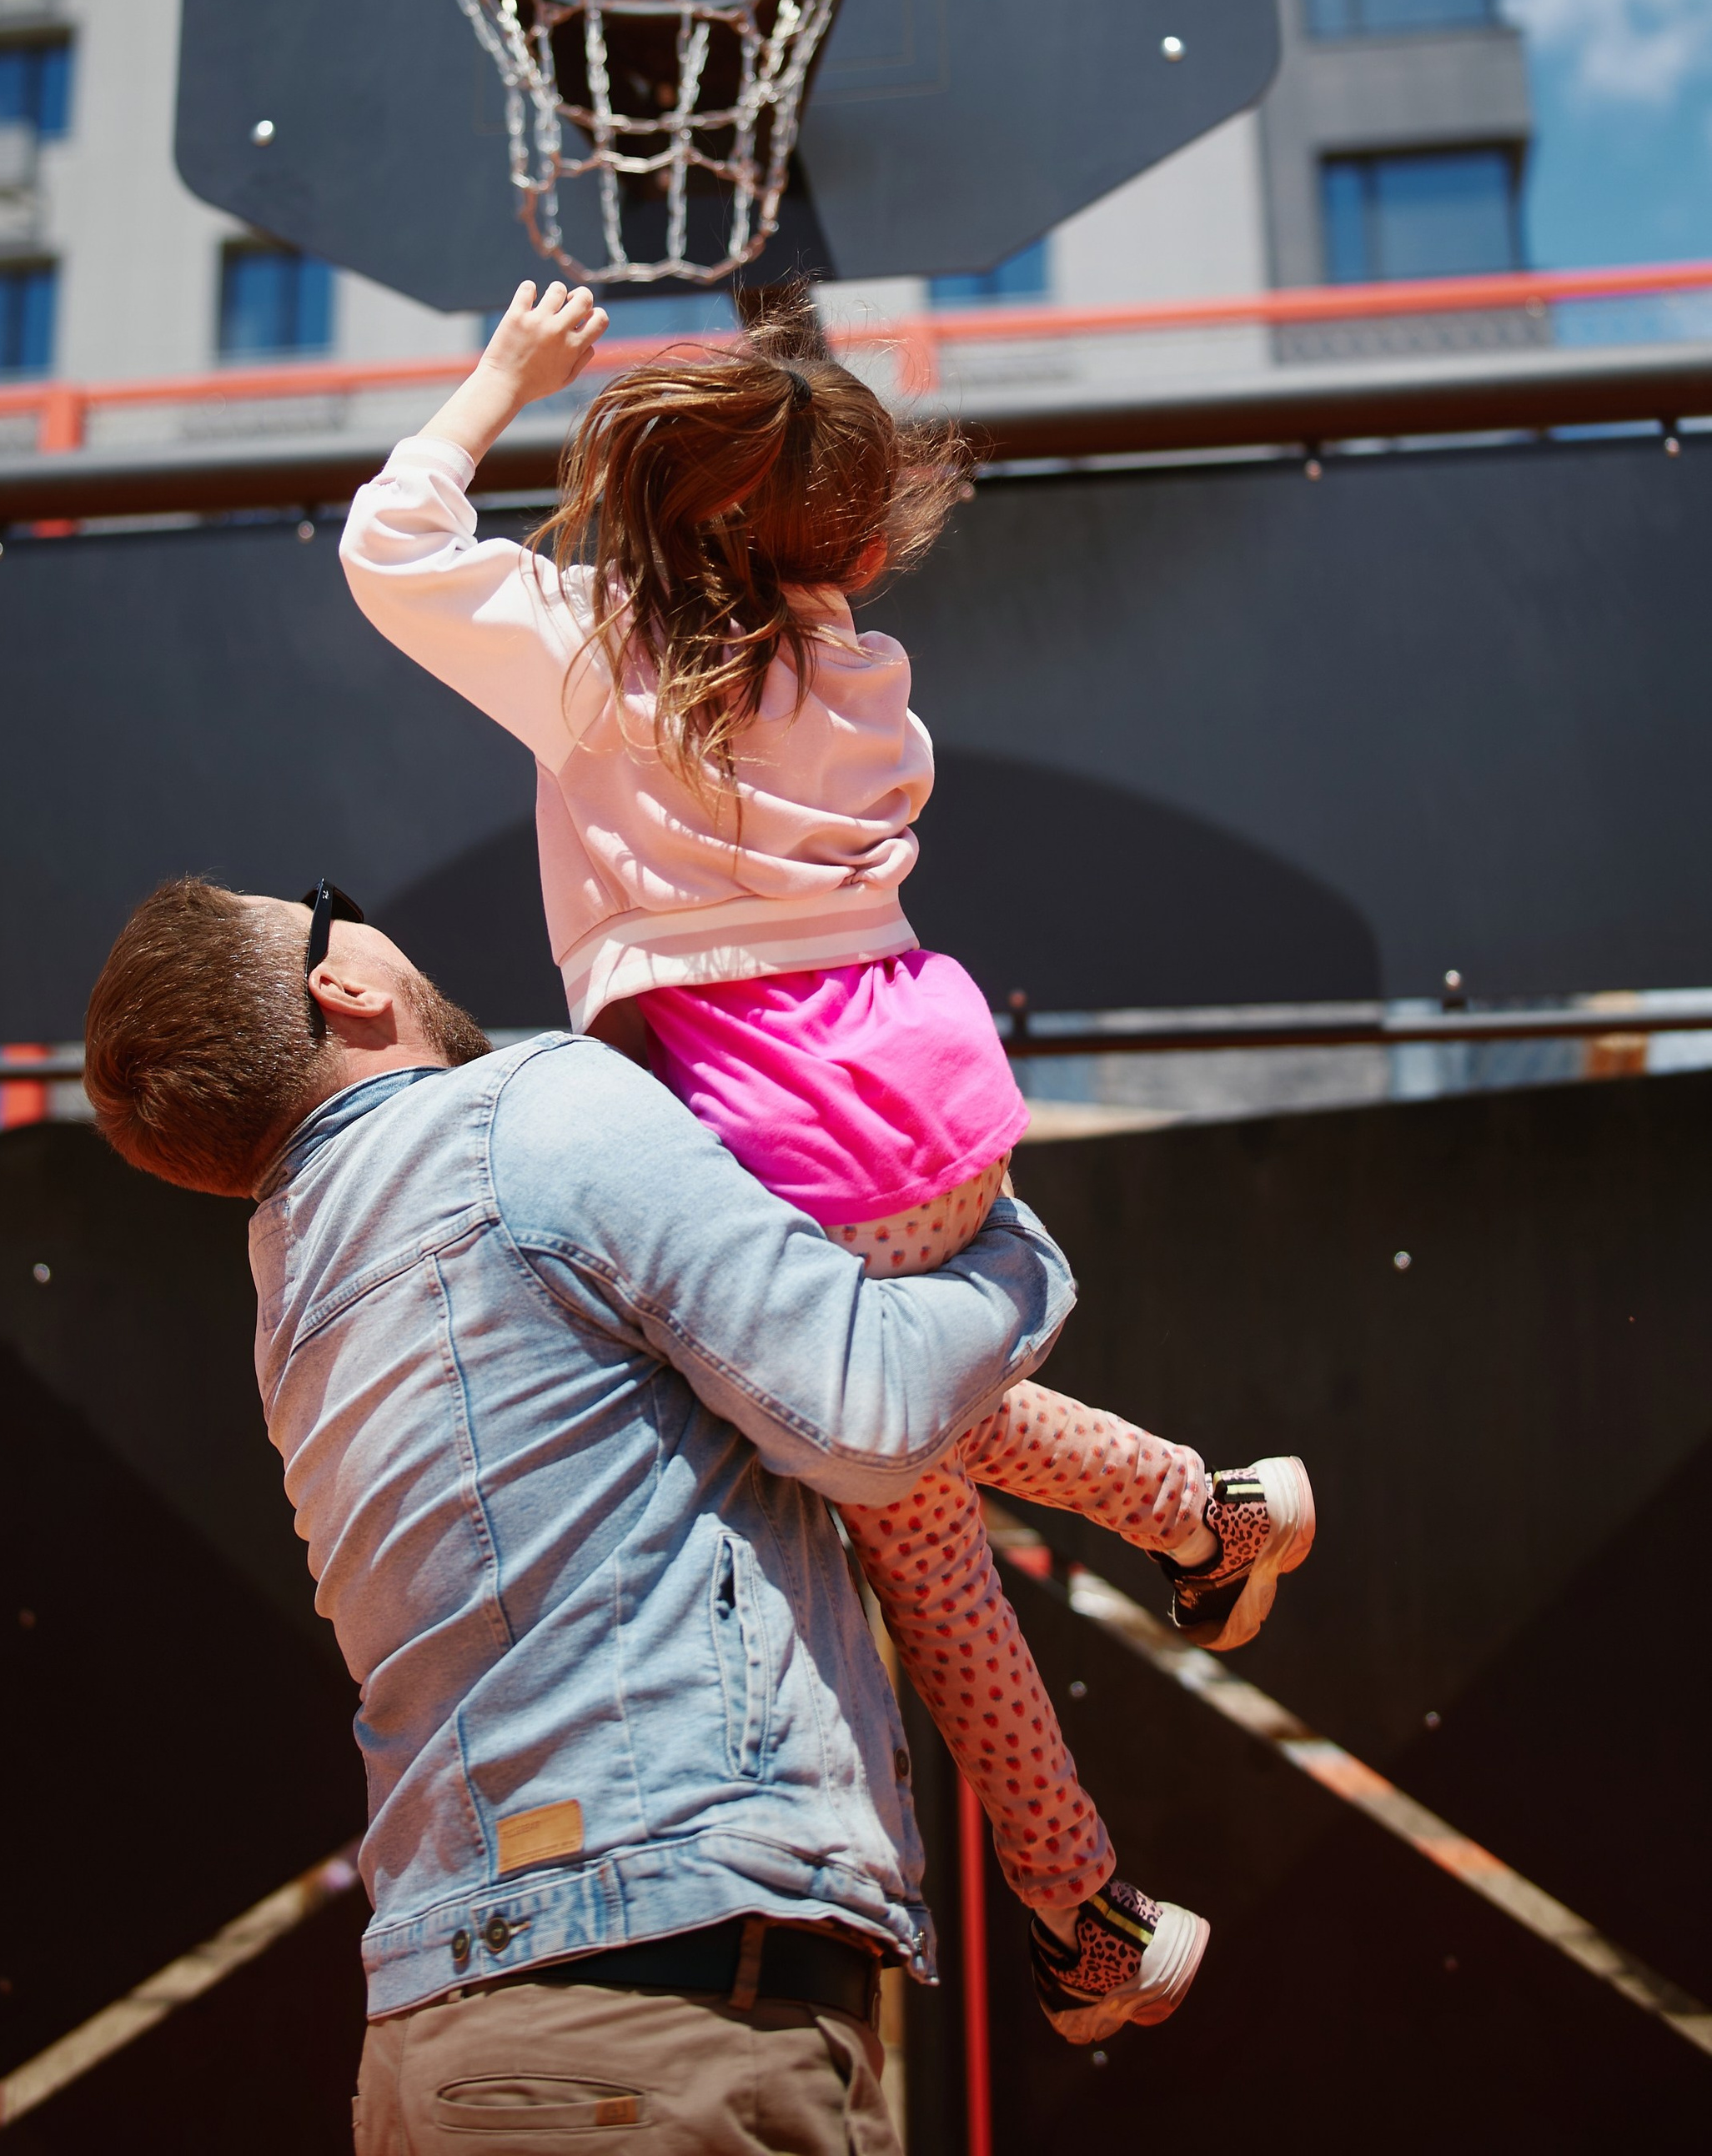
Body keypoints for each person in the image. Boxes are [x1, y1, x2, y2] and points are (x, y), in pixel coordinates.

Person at [338, 278, 1316, 2043]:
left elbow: (390, 548)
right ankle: (1207, 1515)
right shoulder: (856, 667)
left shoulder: (597, 659)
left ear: (660, 512)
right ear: (855, 549)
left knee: (925, 1550)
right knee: (926, 1422)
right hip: (929, 1112)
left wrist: (503, 379)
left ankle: (1085, 1906)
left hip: (786, 1144)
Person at [84, 875, 1081, 2153]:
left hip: (444, 2031)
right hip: (652, 2011)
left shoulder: (297, 1287)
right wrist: (1011, 1248)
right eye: (335, 904)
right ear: (341, 983)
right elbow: (866, 1405)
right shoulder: (527, 1117)